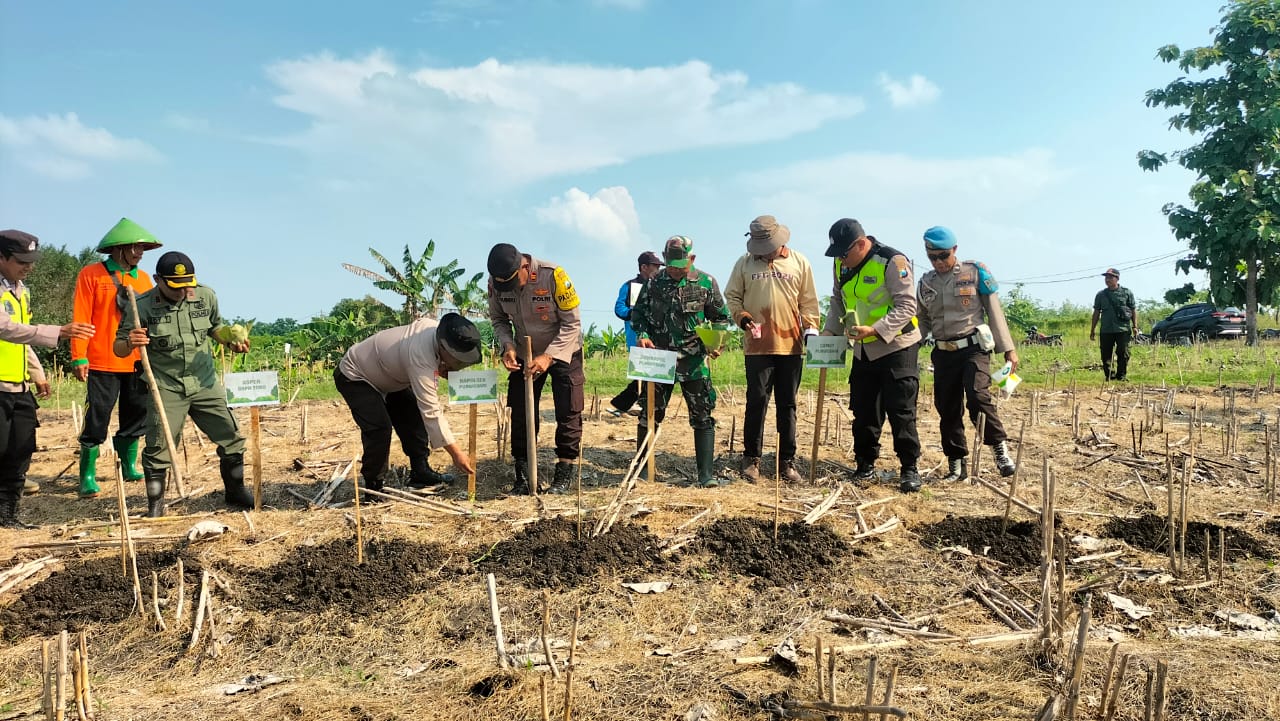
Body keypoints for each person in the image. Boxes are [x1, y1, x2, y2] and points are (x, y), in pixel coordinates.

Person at [114, 251, 253, 517]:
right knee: (158, 447)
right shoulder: (140, 305)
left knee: (232, 437)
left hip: (204, 381)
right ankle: (156, 505)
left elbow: (215, 327)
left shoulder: (205, 295)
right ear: (158, 280)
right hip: (166, 385)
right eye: (175, 286)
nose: (183, 291)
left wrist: (231, 340)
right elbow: (118, 348)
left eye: (187, 285)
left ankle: (235, 491)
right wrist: (130, 340)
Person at [0, 230, 95, 528]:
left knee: (21, 447)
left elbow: (22, 337)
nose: (28, 267)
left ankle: (8, 515)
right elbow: (6, 329)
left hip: (18, 384)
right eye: (21, 261)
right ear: (1, 257)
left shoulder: (21, 290)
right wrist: (58, 332)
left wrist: (37, 373)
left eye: (31, 261)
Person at [821, 219, 923, 492]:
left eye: (845, 253)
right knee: (864, 409)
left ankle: (909, 468)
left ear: (862, 243)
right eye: (838, 254)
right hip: (862, 349)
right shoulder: (840, 264)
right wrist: (830, 331)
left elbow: (907, 307)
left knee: (901, 410)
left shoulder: (893, 261)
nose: (842, 259)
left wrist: (876, 330)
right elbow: (837, 300)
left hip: (897, 346)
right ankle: (865, 463)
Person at [915, 226, 1018, 489]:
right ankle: (956, 462)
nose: (938, 262)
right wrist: (908, 345)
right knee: (947, 406)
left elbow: (994, 311)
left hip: (974, 348)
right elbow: (922, 321)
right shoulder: (926, 282)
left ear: (955, 250)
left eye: (943, 255)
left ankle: (999, 450)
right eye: (932, 257)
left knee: (977, 396)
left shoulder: (975, 272)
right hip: (943, 352)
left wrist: (1008, 348)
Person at [335, 313, 483, 495]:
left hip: (390, 377)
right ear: (444, 347)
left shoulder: (434, 332)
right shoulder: (420, 355)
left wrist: (443, 366)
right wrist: (456, 454)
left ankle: (420, 471)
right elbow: (431, 411)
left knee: (412, 415)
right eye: (457, 360)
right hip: (356, 375)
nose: (458, 365)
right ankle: (374, 486)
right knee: (379, 429)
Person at [724, 215, 821, 483]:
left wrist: (811, 329)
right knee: (756, 402)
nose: (764, 252)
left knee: (787, 405)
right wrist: (741, 316)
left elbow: (809, 301)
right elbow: (732, 296)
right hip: (757, 346)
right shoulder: (744, 264)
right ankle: (751, 459)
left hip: (791, 346)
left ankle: (786, 463)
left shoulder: (799, 262)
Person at [70, 217, 162, 498]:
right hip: (101, 360)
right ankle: (87, 473)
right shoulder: (91, 274)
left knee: (136, 415)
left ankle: (127, 465)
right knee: (97, 417)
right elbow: (81, 317)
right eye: (135, 247)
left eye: (142, 248)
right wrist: (79, 356)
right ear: (118, 248)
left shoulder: (144, 279)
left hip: (136, 361)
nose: (140, 253)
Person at [630, 235, 731, 488]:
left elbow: (721, 316)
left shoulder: (706, 283)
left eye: (680, 265)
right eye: (671, 265)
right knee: (650, 414)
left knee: (702, 415)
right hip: (658, 360)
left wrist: (717, 341)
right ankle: (643, 472)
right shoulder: (653, 283)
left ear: (692, 259)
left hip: (694, 361)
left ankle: (705, 475)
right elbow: (638, 316)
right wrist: (642, 335)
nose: (675, 270)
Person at [487, 243, 584, 494]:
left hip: (564, 350)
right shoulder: (496, 283)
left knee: (568, 409)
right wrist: (507, 346)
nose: (508, 289)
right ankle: (524, 473)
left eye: (511, 282)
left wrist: (549, 356)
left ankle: (565, 470)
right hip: (524, 352)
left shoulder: (553, 276)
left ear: (524, 266)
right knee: (521, 410)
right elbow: (499, 320)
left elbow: (572, 324)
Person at [607, 251, 664, 418]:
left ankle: (625, 403)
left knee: (654, 372)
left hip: (658, 337)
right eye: (655, 266)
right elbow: (619, 309)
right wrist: (636, 313)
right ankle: (631, 403)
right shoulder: (630, 286)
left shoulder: (660, 285)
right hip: (637, 337)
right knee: (643, 373)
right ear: (644, 267)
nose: (658, 270)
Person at [1090, 268, 1138, 381]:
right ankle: (1110, 376)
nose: (1107, 280)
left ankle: (1121, 376)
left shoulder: (1127, 293)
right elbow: (1096, 313)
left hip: (1123, 329)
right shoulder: (1100, 295)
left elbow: (1133, 310)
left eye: (1110, 277)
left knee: (1124, 353)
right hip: (1106, 329)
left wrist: (1135, 326)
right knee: (1106, 354)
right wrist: (1092, 330)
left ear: (1117, 278)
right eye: (1106, 277)